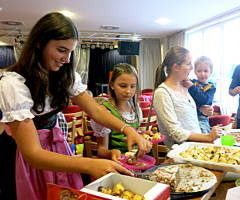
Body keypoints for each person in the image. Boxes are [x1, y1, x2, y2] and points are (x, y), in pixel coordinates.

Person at [0, 12, 151, 200]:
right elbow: (32, 153)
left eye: (71, 51)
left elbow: (95, 110)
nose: (67, 59)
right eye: (61, 50)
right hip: (25, 158)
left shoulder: (63, 76)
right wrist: (89, 164)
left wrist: (128, 129)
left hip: (56, 147)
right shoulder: (13, 83)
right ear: (39, 43)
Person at [153, 46, 221, 148]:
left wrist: (202, 110)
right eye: (188, 64)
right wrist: (207, 137)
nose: (192, 68)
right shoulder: (162, 93)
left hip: (197, 148)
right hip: (180, 153)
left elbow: (187, 115)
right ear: (176, 67)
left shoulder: (185, 86)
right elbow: (175, 132)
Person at [91, 63, 151, 161]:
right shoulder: (105, 112)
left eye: (132, 86)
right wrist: (111, 153)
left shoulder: (135, 107)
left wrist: (144, 135)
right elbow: (101, 150)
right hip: (116, 164)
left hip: (137, 162)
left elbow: (135, 133)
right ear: (112, 85)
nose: (128, 91)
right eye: (123, 86)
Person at [182, 56, 216, 133]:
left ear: (211, 71)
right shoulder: (192, 82)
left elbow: (205, 101)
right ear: (195, 71)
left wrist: (192, 86)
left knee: (203, 131)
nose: (202, 74)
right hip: (189, 115)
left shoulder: (211, 87)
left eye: (205, 71)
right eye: (199, 71)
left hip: (201, 117)